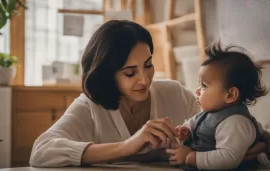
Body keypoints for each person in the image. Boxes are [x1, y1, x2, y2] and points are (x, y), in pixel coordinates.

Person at [29, 20, 267, 168]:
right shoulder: (89, 107)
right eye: (130, 73)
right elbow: (41, 152)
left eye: (148, 65)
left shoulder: (173, 93)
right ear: (107, 74)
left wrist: (262, 144)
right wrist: (128, 146)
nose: (145, 80)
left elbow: (228, 126)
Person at [167, 43, 268, 170]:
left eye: (204, 85)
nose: (197, 91)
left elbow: (228, 158)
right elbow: (194, 124)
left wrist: (191, 157)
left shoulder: (235, 122)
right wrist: (186, 132)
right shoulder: (209, 113)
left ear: (230, 95)